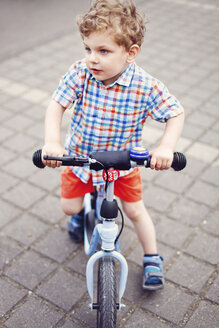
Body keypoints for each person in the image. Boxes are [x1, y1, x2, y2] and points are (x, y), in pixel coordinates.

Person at [42, 0, 184, 290]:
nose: (92, 58)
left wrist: (165, 147)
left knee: (135, 211)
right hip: (81, 159)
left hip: (122, 165)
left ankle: (152, 257)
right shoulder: (81, 73)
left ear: (130, 53)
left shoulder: (146, 86)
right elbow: (56, 104)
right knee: (69, 208)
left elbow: (175, 112)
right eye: (88, 48)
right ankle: (83, 211)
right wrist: (53, 142)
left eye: (103, 51)